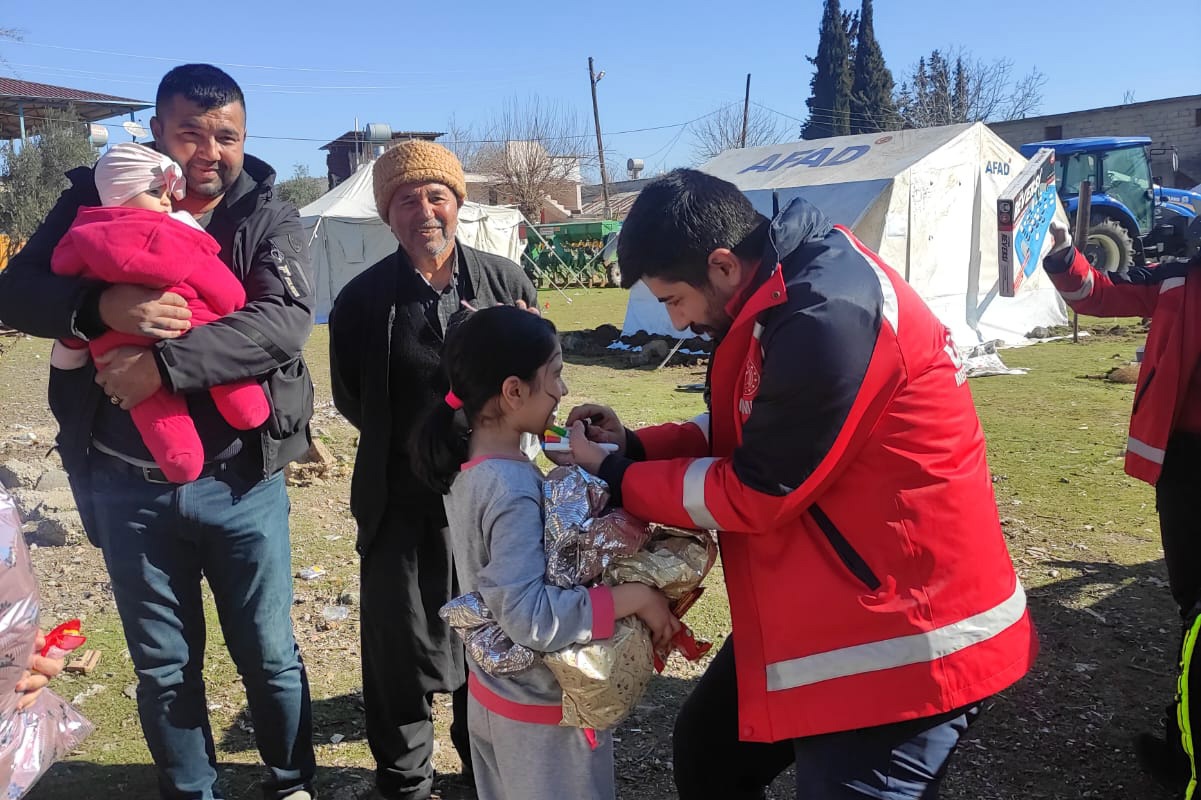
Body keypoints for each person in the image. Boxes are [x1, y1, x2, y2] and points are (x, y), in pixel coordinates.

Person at [561, 169, 1039, 800]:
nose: (676, 321)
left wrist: (621, 479)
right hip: (838, 604)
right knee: (709, 753)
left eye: (674, 299)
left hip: (901, 633)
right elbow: (754, 422)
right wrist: (640, 446)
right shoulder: (785, 291)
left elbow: (759, 489)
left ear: (724, 266)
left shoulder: (826, 314)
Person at [0, 63, 317, 800]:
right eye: (190, 134)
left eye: (227, 136)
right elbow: (16, 291)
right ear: (158, 136)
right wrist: (99, 309)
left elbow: (284, 321)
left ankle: (291, 779)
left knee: (269, 653)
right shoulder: (88, 195)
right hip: (123, 482)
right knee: (164, 663)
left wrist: (167, 366)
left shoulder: (270, 212)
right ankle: (191, 789)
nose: (211, 152)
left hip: (242, 479)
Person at [328, 140, 537, 800]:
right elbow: (352, 397)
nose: (425, 210)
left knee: (492, 647)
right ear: (388, 216)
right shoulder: (363, 301)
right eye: (407, 200)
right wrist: (422, 446)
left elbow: (538, 382)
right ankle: (406, 784)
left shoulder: (505, 283)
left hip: (493, 502)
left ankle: (485, 778)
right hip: (400, 502)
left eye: (436, 196)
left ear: (458, 205)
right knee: (399, 657)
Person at [409, 305, 679, 800]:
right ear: (513, 392)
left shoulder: (473, 465)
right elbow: (530, 616)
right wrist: (636, 597)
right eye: (555, 374)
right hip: (543, 723)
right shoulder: (512, 489)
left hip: (495, 701)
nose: (564, 391)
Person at [1039, 222, 1201, 795]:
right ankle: (1184, 743)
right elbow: (1100, 292)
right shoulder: (1178, 278)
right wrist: (1062, 252)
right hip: (1187, 464)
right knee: (1195, 608)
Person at [50, 142, 270, 483]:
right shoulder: (176, 231)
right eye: (156, 191)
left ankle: (178, 455)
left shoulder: (81, 233)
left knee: (151, 407)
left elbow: (60, 275)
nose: (167, 200)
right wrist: (232, 300)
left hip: (115, 348)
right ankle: (244, 403)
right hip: (189, 321)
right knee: (224, 368)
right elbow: (212, 278)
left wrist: (74, 341)